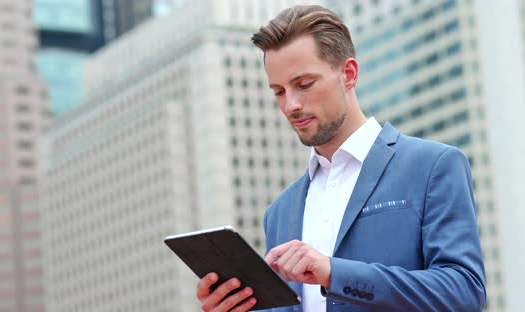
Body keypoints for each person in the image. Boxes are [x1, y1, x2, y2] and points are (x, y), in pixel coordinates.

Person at [196, 4, 486, 312]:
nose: (291, 105)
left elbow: (465, 292)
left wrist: (334, 273)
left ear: (348, 74)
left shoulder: (433, 166)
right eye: (279, 92)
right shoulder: (279, 212)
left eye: (304, 84)